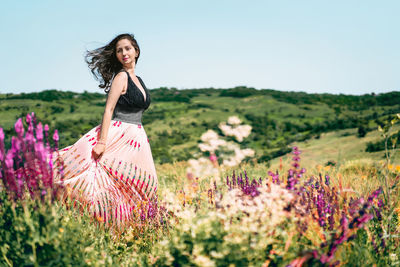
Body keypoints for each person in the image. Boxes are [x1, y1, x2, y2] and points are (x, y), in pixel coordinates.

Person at [52, 33, 158, 230]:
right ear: (116, 55)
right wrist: (102, 141)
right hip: (118, 134)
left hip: (136, 139)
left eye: (127, 48)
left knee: (144, 184)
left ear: (136, 51)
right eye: (119, 50)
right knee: (101, 180)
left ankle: (130, 226)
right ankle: (102, 224)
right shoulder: (121, 76)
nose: (124, 53)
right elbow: (109, 109)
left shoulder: (138, 79)